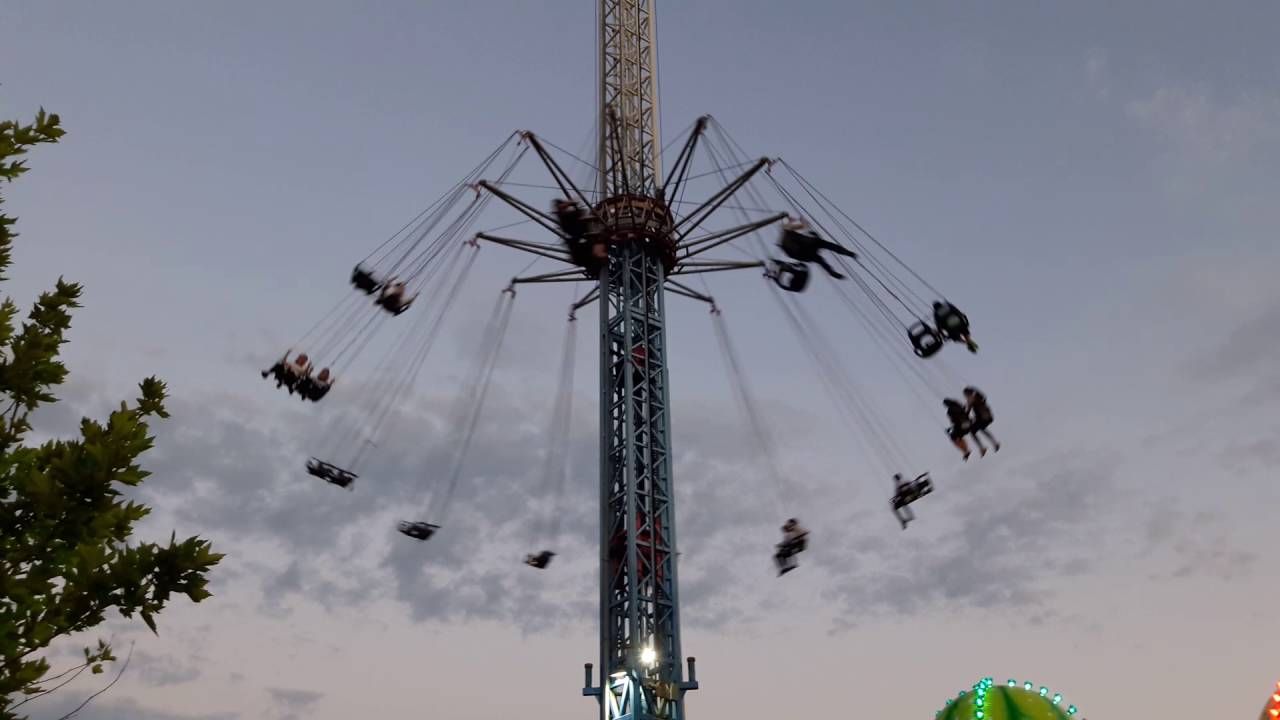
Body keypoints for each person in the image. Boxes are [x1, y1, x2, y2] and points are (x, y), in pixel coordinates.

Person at [778, 219, 856, 279]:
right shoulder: (786, 234)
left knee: (821, 257)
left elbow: (802, 230)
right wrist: (803, 223)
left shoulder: (787, 236)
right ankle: (846, 255)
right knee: (825, 248)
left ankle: (834, 271)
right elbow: (802, 229)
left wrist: (805, 226)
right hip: (805, 250)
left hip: (805, 252)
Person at [963, 386, 1000, 455]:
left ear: (967, 393)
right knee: (981, 429)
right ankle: (995, 443)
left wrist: (964, 412)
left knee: (973, 431)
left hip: (983, 417)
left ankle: (983, 448)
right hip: (987, 416)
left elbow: (968, 410)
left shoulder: (971, 398)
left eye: (965, 395)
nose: (965, 397)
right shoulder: (978, 396)